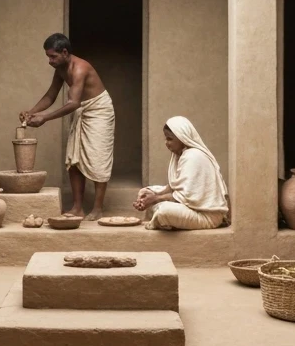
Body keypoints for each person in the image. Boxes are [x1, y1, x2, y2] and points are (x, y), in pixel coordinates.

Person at [20, 33, 114, 219]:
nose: (49, 60)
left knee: (99, 157)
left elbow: (73, 103)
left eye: (52, 56)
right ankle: (77, 207)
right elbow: (50, 96)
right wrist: (31, 112)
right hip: (82, 111)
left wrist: (44, 118)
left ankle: (97, 208)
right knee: (74, 159)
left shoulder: (80, 68)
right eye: (48, 56)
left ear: (65, 52)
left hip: (99, 111)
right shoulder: (60, 69)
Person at [134, 117, 230, 230]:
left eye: (170, 139)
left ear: (182, 138)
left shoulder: (193, 156)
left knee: (164, 211)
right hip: (192, 208)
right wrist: (150, 195)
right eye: (166, 139)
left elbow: (185, 197)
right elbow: (176, 187)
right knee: (148, 193)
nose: (166, 143)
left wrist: (155, 199)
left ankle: (164, 222)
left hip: (207, 216)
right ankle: (168, 221)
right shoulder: (181, 155)